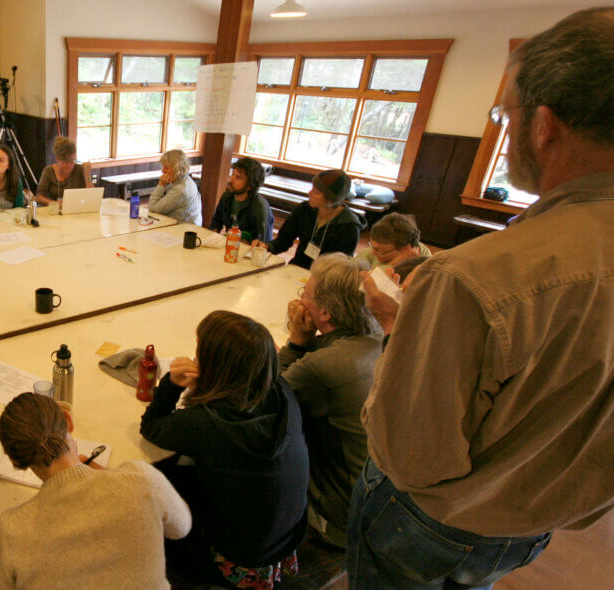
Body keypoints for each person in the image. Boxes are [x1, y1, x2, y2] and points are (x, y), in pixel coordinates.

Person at [350, 8, 614, 588]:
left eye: (504, 114)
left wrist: (398, 327)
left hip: (432, 522)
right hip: (533, 525)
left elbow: (412, 457)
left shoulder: (475, 276)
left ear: (543, 125)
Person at [140, 310, 308, 589]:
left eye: (200, 351)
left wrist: (171, 383)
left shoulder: (208, 423)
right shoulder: (280, 392)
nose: (196, 356)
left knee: (159, 482)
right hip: (285, 542)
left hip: (237, 561)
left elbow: (152, 426)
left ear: (216, 366)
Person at [0, 392, 190, 590]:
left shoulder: (9, 531)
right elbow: (182, 527)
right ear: (68, 420)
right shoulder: (141, 480)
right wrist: (111, 476)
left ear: (15, 461)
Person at [278, 253, 382, 548]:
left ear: (324, 313)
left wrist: (296, 341)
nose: (300, 299)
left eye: (306, 294)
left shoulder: (324, 366)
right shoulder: (377, 339)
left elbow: (271, 397)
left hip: (339, 516)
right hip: (376, 495)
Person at [264, 169, 365, 270]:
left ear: (330, 199)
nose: (309, 193)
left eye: (316, 192)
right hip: (297, 269)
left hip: (323, 278)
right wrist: (267, 247)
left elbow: (339, 268)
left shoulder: (349, 228)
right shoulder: (305, 209)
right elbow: (283, 240)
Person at [209, 157, 274, 242]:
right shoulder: (227, 196)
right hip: (231, 245)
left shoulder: (259, 209)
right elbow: (217, 221)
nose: (231, 180)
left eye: (238, 177)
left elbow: (262, 245)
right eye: (232, 174)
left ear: (250, 185)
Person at [355, 212, 432, 273]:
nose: (373, 253)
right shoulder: (381, 247)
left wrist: (392, 266)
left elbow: (369, 285)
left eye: (379, 250)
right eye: (372, 246)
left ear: (404, 249)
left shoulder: (423, 268)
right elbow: (352, 267)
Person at [148, 149, 202, 225]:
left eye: (166, 168)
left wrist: (161, 184)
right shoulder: (186, 179)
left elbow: (153, 208)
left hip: (184, 230)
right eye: (163, 167)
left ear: (178, 169)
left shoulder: (180, 190)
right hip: (185, 224)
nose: (163, 171)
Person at [34, 136, 93, 205]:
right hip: (53, 210)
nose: (71, 165)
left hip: (75, 209)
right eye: (67, 162)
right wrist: (56, 204)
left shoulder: (79, 169)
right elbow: (39, 197)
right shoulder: (49, 171)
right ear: (58, 159)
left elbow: (91, 196)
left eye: (73, 161)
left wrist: (87, 175)